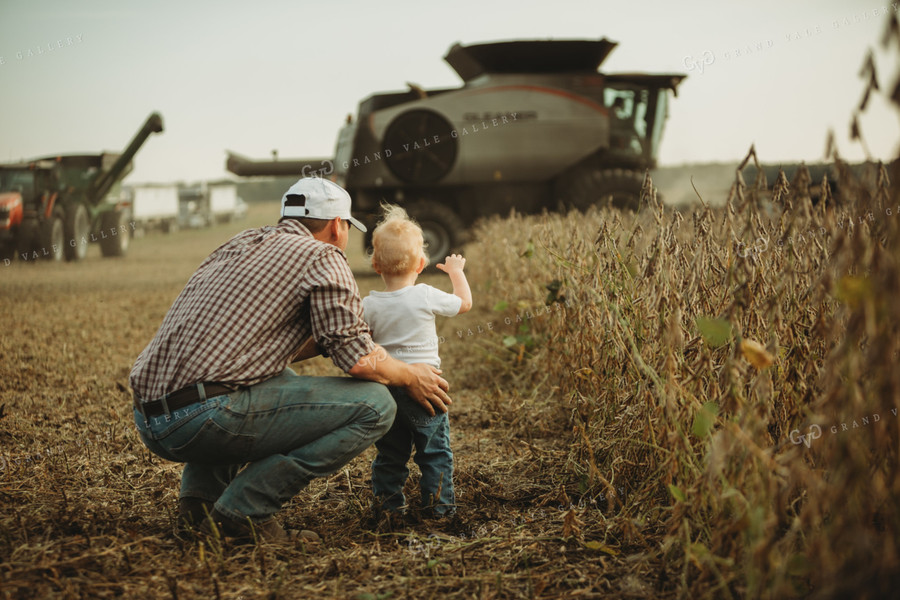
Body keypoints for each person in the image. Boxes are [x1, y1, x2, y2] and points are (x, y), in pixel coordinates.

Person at [129, 177, 452, 543]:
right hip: (204, 418)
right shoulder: (323, 256)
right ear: (335, 226)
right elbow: (359, 360)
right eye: (346, 226)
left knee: (277, 377)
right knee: (376, 405)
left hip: (151, 418)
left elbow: (266, 343)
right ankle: (241, 513)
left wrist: (342, 334)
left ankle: (199, 509)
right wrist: (409, 375)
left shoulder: (240, 242)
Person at [362, 204, 472, 519]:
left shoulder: (368, 305)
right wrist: (456, 273)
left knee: (390, 454)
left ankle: (388, 510)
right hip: (427, 387)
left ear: (375, 264)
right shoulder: (424, 294)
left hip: (387, 388)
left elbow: (365, 342)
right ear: (422, 263)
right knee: (435, 452)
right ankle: (439, 511)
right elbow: (464, 304)